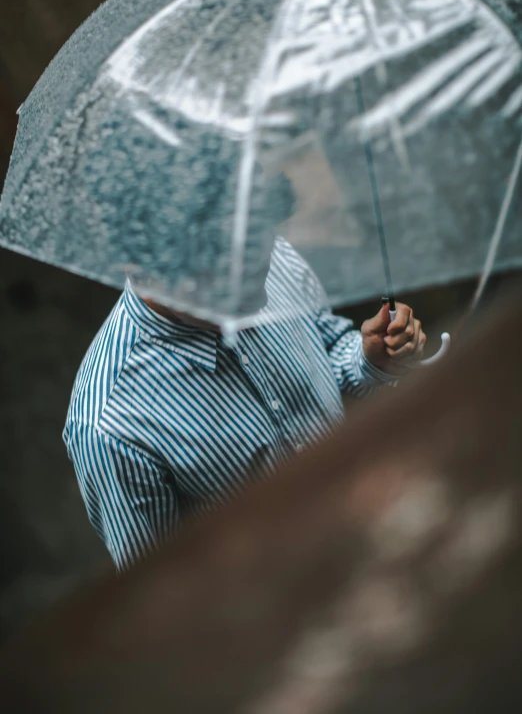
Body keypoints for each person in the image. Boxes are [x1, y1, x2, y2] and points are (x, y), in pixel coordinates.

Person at [63, 237, 426, 569]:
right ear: (142, 269)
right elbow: (165, 590)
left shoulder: (271, 254)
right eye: (222, 277)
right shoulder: (109, 427)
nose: (257, 290)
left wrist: (370, 359)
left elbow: (329, 346)